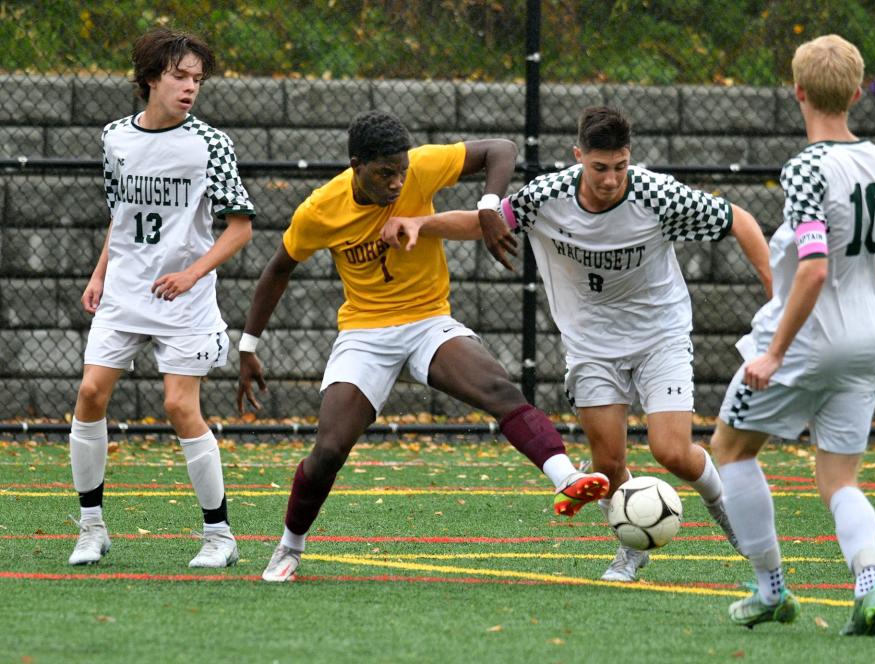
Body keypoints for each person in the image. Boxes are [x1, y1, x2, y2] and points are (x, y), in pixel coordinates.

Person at [381, 106, 772, 582]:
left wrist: (774, 291)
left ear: (630, 159)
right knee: (608, 464)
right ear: (579, 157)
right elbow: (485, 222)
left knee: (672, 451)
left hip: (659, 337)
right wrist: (423, 224)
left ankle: (724, 509)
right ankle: (632, 548)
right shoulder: (548, 196)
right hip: (591, 347)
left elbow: (740, 220)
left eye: (620, 166)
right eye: (600, 167)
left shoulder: (658, 195)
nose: (611, 179)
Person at [236, 110, 610, 583]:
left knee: (497, 388)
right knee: (329, 448)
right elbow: (278, 269)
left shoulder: (423, 164)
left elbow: (502, 148)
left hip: (427, 320)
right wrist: (248, 346)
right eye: (383, 174)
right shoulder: (319, 210)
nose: (396, 183)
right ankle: (289, 547)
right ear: (356, 165)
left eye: (402, 172)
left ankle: (567, 478)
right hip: (365, 333)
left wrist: (489, 206)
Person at [709, 34, 875, 634]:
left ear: (797, 91)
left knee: (730, 449)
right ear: (855, 93)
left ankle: (770, 589)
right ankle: (870, 585)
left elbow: (815, 266)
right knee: (839, 479)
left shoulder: (806, 167)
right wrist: (856, 291)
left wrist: (774, 352)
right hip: (869, 337)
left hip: (807, 342)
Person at [67, 27, 255, 569]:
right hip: (125, 290)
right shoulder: (114, 138)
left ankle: (220, 536)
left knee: (178, 405)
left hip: (184, 300)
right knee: (90, 393)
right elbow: (119, 216)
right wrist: (100, 273)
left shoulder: (210, 144)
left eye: (197, 78)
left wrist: (192, 274)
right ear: (151, 78)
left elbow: (239, 228)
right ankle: (91, 529)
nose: (190, 87)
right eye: (179, 76)